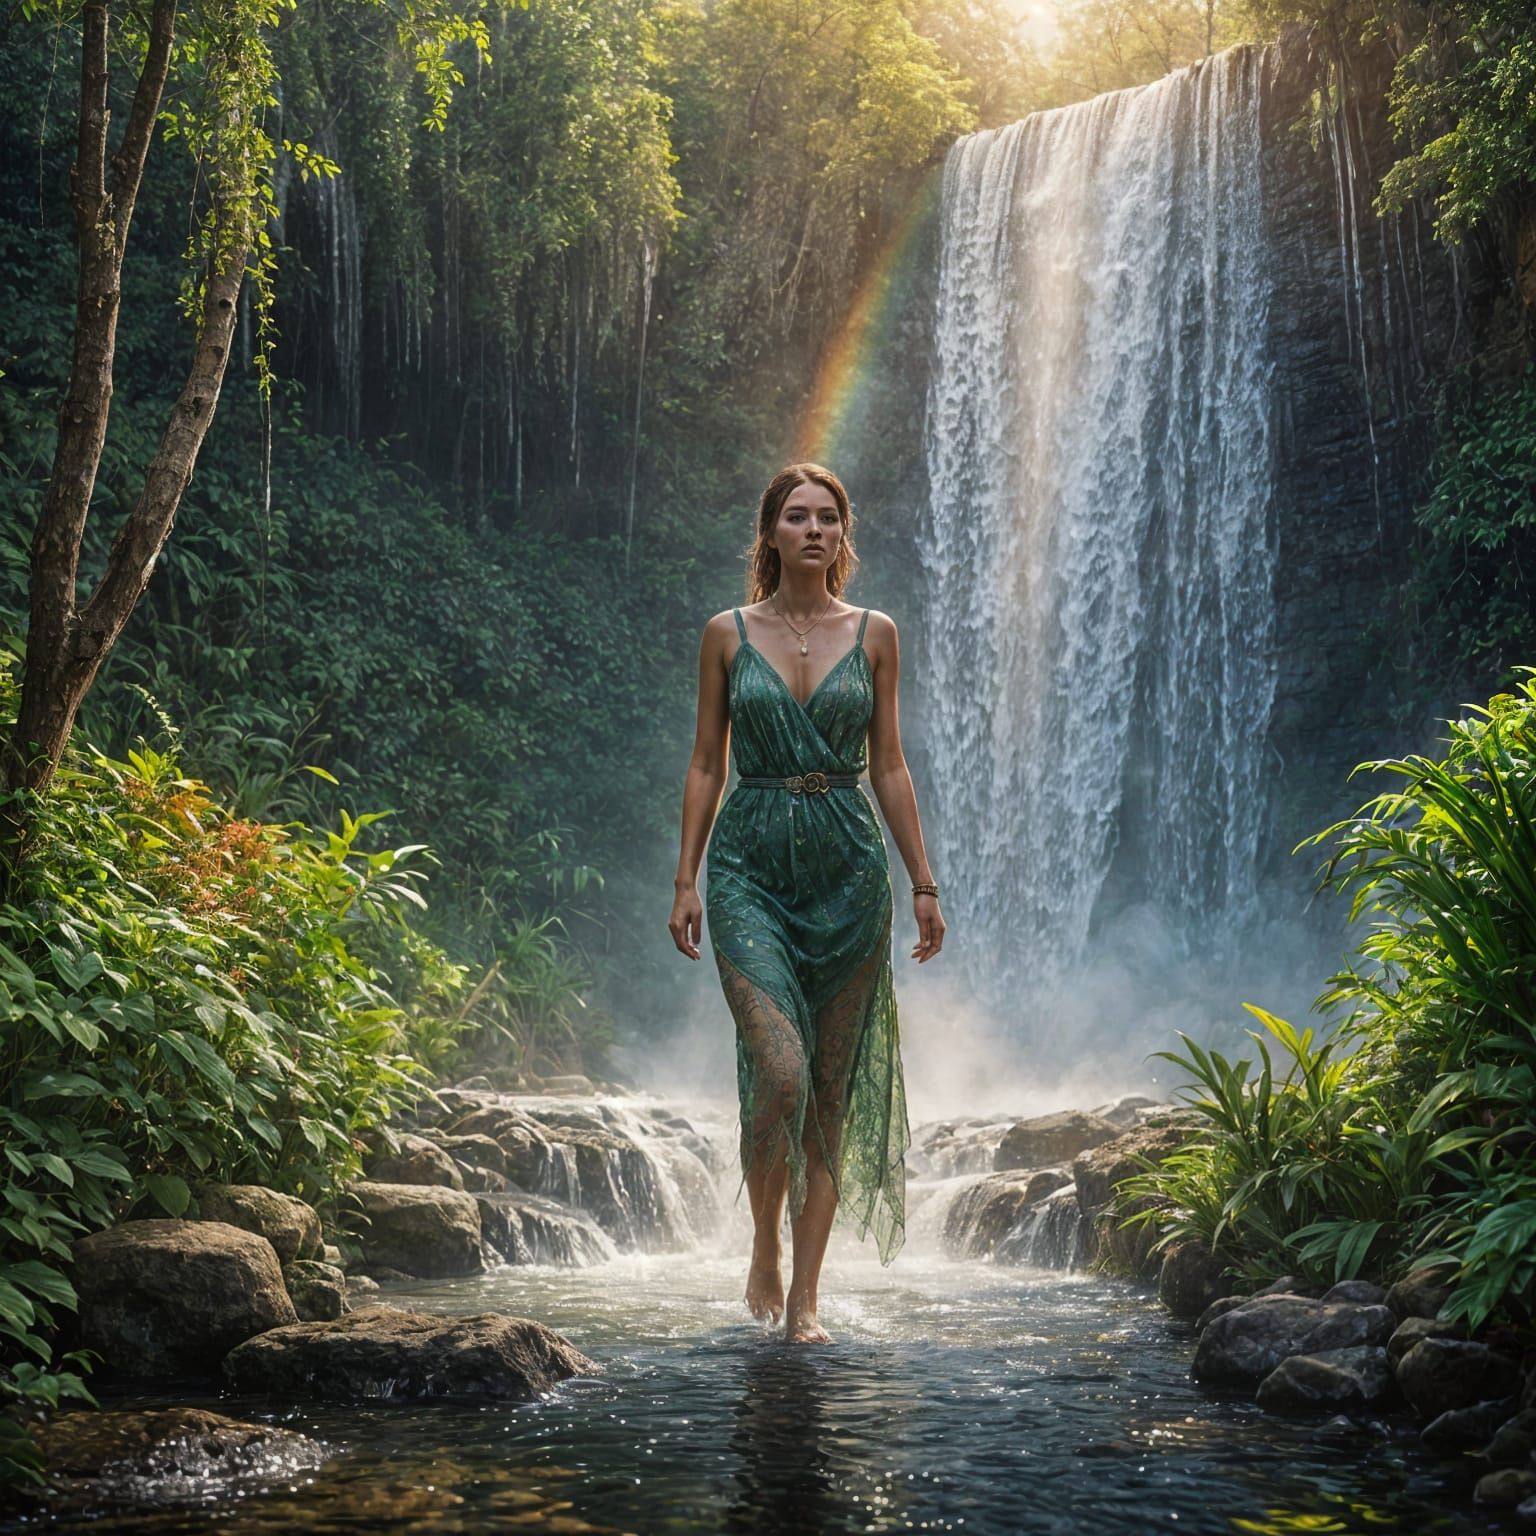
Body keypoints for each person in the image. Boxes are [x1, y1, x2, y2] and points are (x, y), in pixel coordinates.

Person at [668, 462, 945, 1344]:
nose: (815, 529)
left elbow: (890, 764)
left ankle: (807, 1300)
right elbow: (706, 762)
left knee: (827, 1095)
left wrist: (923, 882)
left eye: (828, 516)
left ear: (842, 534)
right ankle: (764, 1241)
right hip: (747, 866)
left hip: (849, 873)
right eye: (798, 516)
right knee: (780, 1072)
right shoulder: (726, 634)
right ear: (771, 533)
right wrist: (686, 879)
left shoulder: (875, 634)